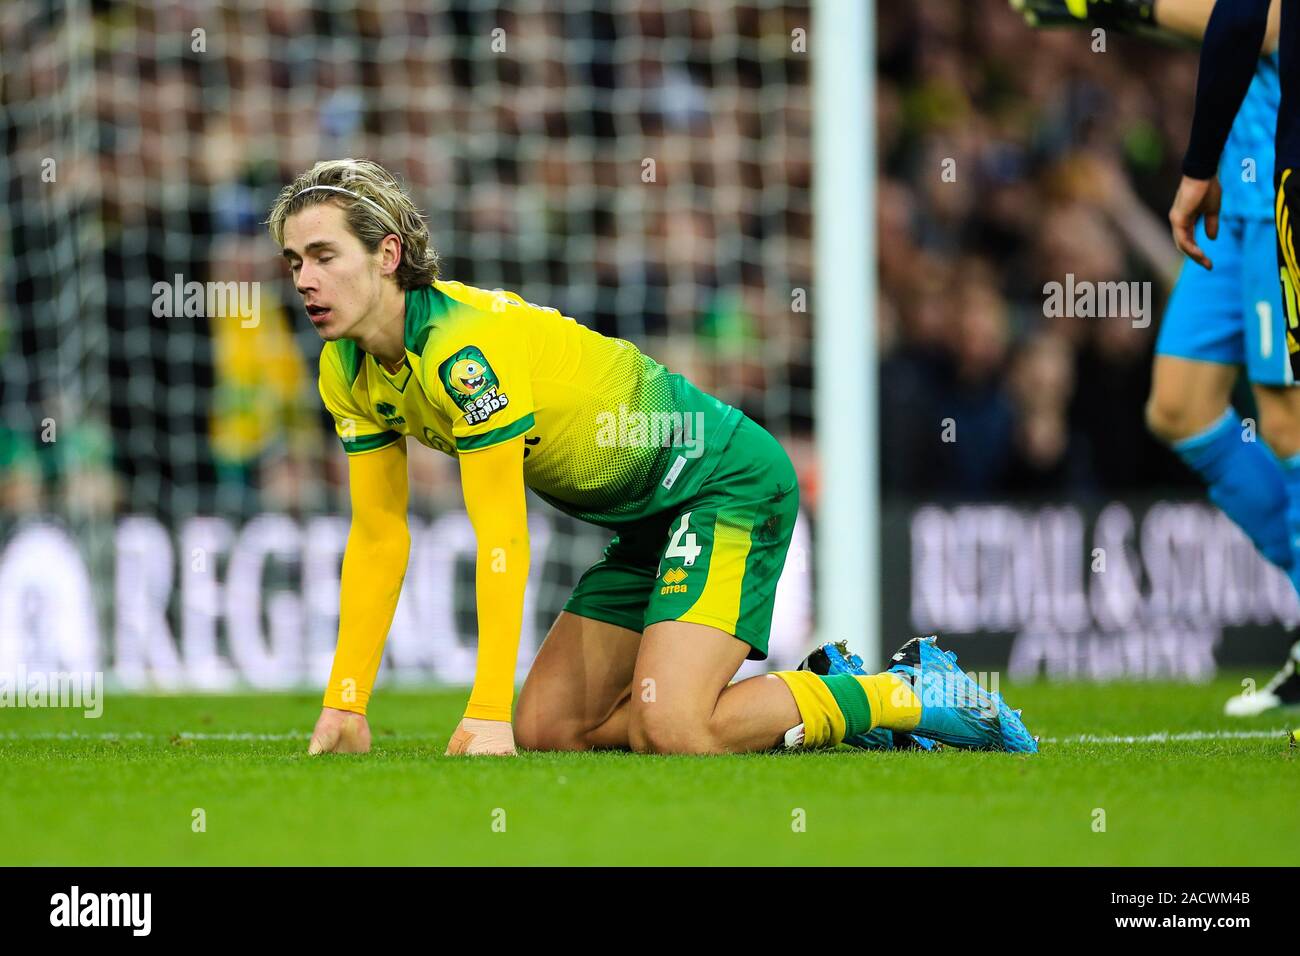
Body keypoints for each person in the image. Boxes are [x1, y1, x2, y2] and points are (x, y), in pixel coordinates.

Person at [265, 158, 1037, 757]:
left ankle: (902, 693)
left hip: (722, 485)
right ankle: (810, 699)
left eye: (324, 255)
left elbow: (501, 537)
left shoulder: (462, 350)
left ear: (389, 254)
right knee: (550, 727)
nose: (304, 278)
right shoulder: (347, 371)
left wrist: (482, 710)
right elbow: (377, 535)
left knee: (673, 728)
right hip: (646, 525)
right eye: (295, 260)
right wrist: (347, 698)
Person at [1014, 0, 1300, 715]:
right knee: (1179, 408)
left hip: (1276, 194)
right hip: (1230, 202)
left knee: (1288, 427)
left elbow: (1261, 21)